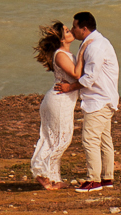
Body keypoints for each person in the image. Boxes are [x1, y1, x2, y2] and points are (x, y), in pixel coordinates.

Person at [55, 11, 119, 193]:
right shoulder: (95, 43)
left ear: (84, 28)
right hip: (104, 98)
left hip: (98, 100)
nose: (72, 30)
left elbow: (89, 77)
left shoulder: (95, 46)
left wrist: (69, 87)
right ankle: (107, 177)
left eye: (74, 27)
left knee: (90, 139)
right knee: (105, 140)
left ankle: (94, 180)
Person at [29, 21, 83, 190]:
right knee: (62, 139)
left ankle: (54, 179)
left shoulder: (65, 53)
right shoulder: (60, 55)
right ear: (61, 39)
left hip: (63, 100)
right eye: (67, 31)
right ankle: (40, 171)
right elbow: (76, 74)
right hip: (58, 100)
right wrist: (83, 54)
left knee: (54, 139)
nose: (70, 32)